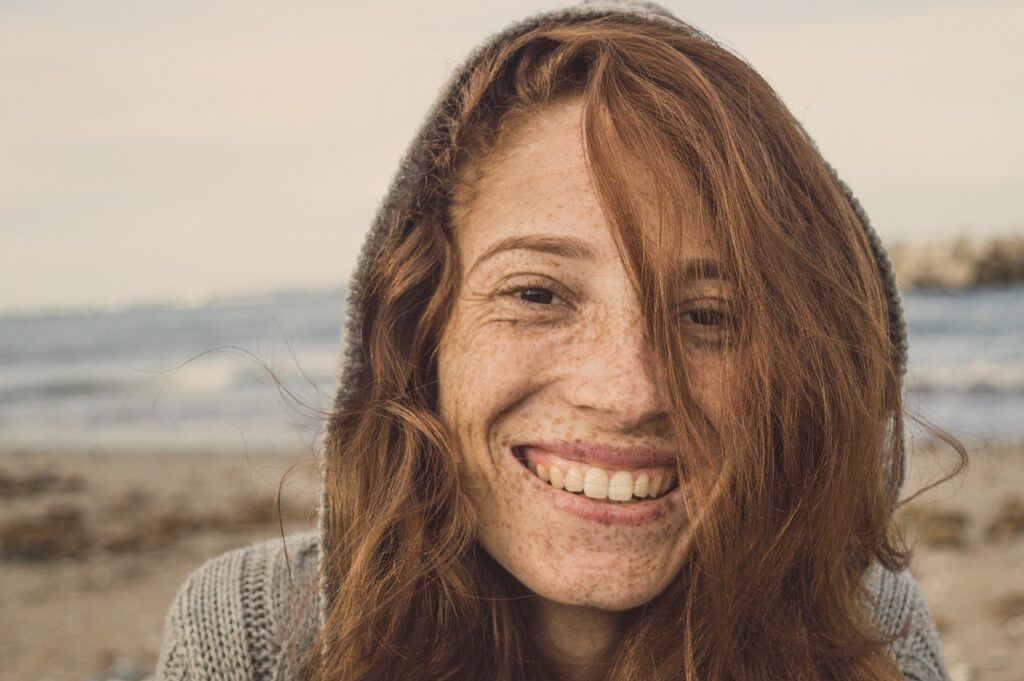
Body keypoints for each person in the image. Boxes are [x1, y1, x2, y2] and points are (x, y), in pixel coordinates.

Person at [154, 2, 964, 679]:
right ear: (417, 332)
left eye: (710, 314)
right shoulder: (255, 638)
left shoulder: (863, 633)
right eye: (538, 294)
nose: (629, 390)